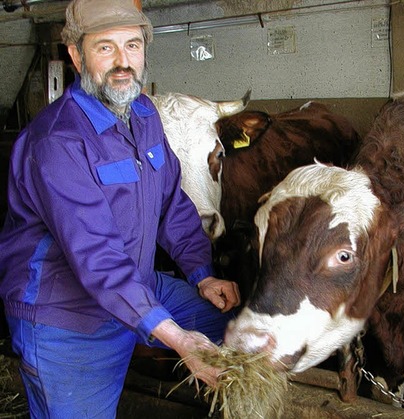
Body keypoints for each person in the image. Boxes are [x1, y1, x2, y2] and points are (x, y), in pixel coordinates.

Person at [0, 0, 241, 416]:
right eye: (105, 48)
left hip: (138, 282)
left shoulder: (144, 113)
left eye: (132, 45)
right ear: (76, 56)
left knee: (230, 328)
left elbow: (171, 204)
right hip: (67, 317)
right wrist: (179, 340)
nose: (122, 63)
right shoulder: (58, 142)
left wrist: (202, 275)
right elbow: (98, 257)